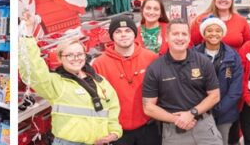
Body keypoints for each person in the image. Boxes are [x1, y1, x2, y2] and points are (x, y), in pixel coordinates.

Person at [20, 11, 121, 145]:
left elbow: (112, 108)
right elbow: (33, 70)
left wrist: (114, 132)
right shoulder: (55, 83)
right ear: (60, 58)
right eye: (70, 55)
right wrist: (27, 34)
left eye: (79, 54)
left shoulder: (100, 81)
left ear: (85, 56)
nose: (76, 58)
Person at [142, 20, 224, 145]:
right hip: (173, 129)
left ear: (189, 37)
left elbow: (215, 95)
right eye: (175, 34)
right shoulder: (155, 68)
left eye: (184, 34)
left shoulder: (203, 62)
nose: (180, 38)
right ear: (166, 37)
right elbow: (148, 107)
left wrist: (192, 113)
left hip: (204, 126)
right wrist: (177, 119)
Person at [93, 14, 161, 145]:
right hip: (117, 131)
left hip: (148, 127)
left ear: (134, 34)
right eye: (118, 31)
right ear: (112, 36)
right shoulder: (99, 64)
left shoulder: (151, 58)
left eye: (128, 30)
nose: (123, 35)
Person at [192, 18, 244, 142]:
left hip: (225, 113)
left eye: (217, 30)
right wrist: (202, 108)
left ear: (223, 33)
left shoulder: (232, 56)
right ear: (203, 33)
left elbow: (236, 88)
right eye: (209, 30)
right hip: (200, 113)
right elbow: (189, 85)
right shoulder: (192, 55)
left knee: (222, 141)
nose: (213, 34)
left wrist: (219, 109)